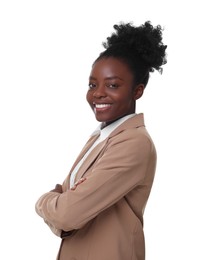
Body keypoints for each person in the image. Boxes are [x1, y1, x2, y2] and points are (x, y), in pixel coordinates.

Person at [35, 21, 167, 260]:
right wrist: (62, 209)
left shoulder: (134, 142)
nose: (98, 93)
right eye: (92, 85)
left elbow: (67, 214)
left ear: (137, 91)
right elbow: (67, 213)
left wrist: (43, 202)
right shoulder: (100, 136)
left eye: (113, 85)